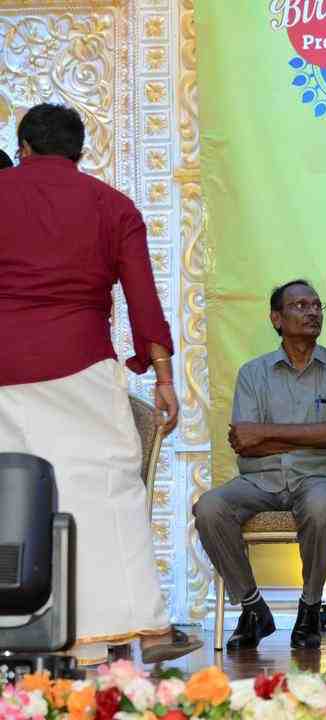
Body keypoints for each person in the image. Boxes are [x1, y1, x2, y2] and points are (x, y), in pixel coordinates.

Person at [0, 103, 200, 663]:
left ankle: (15, 626)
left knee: (7, 495)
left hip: (2, 367)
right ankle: (136, 625)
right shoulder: (112, 206)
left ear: (25, 148)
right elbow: (142, 301)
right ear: (80, 152)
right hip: (80, 362)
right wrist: (162, 378)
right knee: (106, 490)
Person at [194, 279, 326, 650]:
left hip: (324, 477)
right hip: (262, 479)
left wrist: (267, 434)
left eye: (316, 305)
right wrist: (314, 435)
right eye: (300, 306)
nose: (311, 312)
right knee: (209, 507)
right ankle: (253, 608)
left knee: (321, 506)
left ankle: (309, 606)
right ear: (277, 319)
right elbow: (246, 443)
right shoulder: (253, 373)